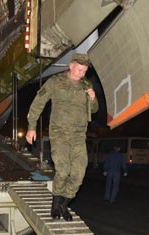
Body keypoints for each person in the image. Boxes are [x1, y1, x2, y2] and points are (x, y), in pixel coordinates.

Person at [26, 53, 99, 221]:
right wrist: (31, 127)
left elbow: (94, 109)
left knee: (79, 173)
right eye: (79, 70)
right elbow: (38, 103)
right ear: (71, 66)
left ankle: (64, 204)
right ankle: (56, 204)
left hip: (78, 135)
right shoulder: (55, 81)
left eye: (84, 71)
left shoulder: (86, 85)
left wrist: (93, 98)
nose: (82, 74)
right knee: (63, 170)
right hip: (59, 133)